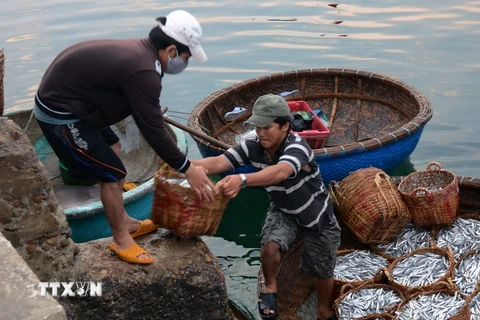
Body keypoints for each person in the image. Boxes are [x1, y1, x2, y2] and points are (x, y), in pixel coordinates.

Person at [33, 10, 215, 265]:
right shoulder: (143, 70)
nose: (184, 63)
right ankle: (120, 238)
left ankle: (126, 220)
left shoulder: (143, 53)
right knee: (113, 174)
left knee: (113, 146)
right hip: (62, 114)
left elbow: (147, 116)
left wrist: (163, 141)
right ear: (172, 50)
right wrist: (187, 167)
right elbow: (152, 128)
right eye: (185, 57)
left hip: (81, 105)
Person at [191, 94, 340, 320]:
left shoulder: (297, 146)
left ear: (285, 126)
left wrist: (242, 180)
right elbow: (220, 162)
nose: (260, 132)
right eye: (257, 127)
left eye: (266, 127)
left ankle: (323, 309)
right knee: (269, 249)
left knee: (322, 270)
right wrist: (185, 165)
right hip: (283, 209)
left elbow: (281, 172)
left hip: (316, 215)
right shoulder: (254, 146)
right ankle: (270, 287)